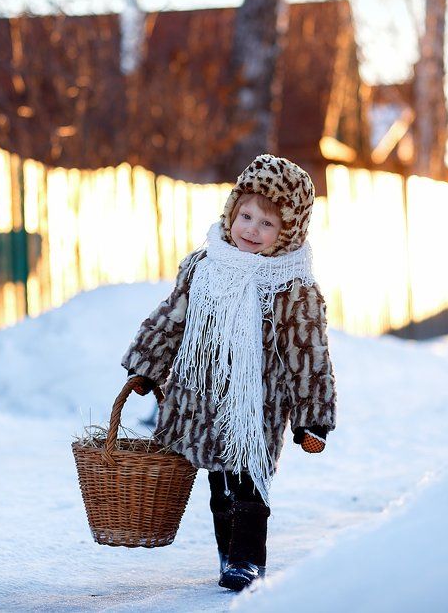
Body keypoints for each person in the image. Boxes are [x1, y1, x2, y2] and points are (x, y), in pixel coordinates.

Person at [121, 154, 336, 591]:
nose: (251, 230)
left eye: (267, 224)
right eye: (246, 216)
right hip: (204, 395)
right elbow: (173, 318)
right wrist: (147, 368)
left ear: (289, 231)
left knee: (248, 483)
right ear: (232, 211)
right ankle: (227, 553)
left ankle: (247, 558)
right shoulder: (204, 266)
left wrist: (312, 419)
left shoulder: (294, 287)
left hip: (259, 404)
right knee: (219, 483)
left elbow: (309, 354)